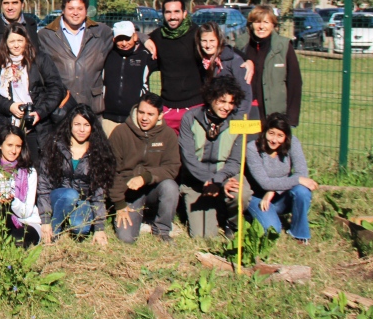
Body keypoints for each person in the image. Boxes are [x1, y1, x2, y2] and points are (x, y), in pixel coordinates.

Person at [178, 75, 252, 238]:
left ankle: (232, 223)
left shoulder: (238, 122)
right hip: (196, 180)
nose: (227, 107)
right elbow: (188, 158)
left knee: (242, 193)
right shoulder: (190, 118)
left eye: (231, 103)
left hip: (225, 176)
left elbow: (235, 161)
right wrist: (209, 179)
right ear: (211, 97)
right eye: (222, 101)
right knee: (203, 237)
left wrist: (218, 180)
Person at [0, 23, 65, 165]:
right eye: (12, 41)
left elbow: (56, 89)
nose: (16, 45)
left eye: (20, 41)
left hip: (37, 127)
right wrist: (10, 106)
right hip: (8, 125)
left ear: (26, 41)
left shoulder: (40, 59)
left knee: (35, 166)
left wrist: (39, 112)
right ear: (6, 43)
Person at [37, 104, 115, 245]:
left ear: (92, 127)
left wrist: (99, 228)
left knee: (81, 228)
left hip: (82, 200)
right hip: (59, 197)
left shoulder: (98, 152)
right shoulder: (56, 146)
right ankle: (54, 228)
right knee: (70, 195)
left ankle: (70, 221)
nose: (81, 129)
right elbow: (43, 185)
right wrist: (45, 221)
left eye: (86, 125)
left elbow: (99, 192)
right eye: (77, 124)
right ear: (70, 125)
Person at [108, 93, 180, 244]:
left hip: (154, 188)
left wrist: (145, 177)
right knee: (126, 239)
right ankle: (139, 218)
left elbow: (172, 167)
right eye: (141, 112)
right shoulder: (120, 133)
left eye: (150, 114)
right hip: (129, 193)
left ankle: (162, 230)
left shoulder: (168, 135)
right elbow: (111, 171)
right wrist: (119, 203)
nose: (144, 118)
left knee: (170, 187)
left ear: (160, 116)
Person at [246, 113, 317, 243]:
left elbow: (302, 172)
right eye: (271, 133)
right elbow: (264, 182)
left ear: (286, 137)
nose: (274, 140)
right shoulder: (252, 148)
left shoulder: (293, 142)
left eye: (280, 136)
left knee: (302, 191)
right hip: (259, 197)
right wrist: (296, 180)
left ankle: (299, 232)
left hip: (280, 195)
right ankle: (251, 216)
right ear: (264, 131)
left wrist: (272, 191)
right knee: (272, 230)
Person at [38, 0, 112, 114]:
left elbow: (124, 39)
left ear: (86, 11)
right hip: (60, 107)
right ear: (63, 10)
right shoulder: (46, 35)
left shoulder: (101, 32)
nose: (75, 13)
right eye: (71, 8)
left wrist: (144, 39)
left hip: (92, 106)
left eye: (80, 9)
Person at [146, 0, 205, 135]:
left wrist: (248, 61)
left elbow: (222, 48)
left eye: (176, 12)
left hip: (195, 105)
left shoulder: (198, 34)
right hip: (168, 107)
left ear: (185, 13)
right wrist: (143, 38)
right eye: (168, 12)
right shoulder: (157, 36)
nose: (172, 16)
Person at [0, 126, 42, 247]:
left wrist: (13, 201)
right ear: (0, 145)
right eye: (9, 145)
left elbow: (26, 213)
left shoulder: (29, 172)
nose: (14, 151)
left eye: (18, 146)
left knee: (18, 242)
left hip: (25, 221)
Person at [242, 5, 302, 127]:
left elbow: (294, 83)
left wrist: (291, 118)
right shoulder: (241, 45)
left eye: (266, 22)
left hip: (274, 113)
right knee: (247, 146)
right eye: (257, 22)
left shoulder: (283, 47)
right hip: (247, 111)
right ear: (251, 24)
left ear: (273, 25)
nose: (261, 26)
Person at [100, 20, 156, 137]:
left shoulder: (145, 55)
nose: (124, 43)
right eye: (120, 39)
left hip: (134, 118)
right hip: (108, 118)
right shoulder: (107, 54)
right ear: (114, 39)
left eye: (127, 38)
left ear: (135, 36)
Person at [196, 21, 252, 118]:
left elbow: (245, 94)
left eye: (212, 40)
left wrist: (238, 119)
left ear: (219, 40)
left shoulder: (234, 61)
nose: (208, 45)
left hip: (233, 115)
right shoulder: (204, 62)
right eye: (204, 41)